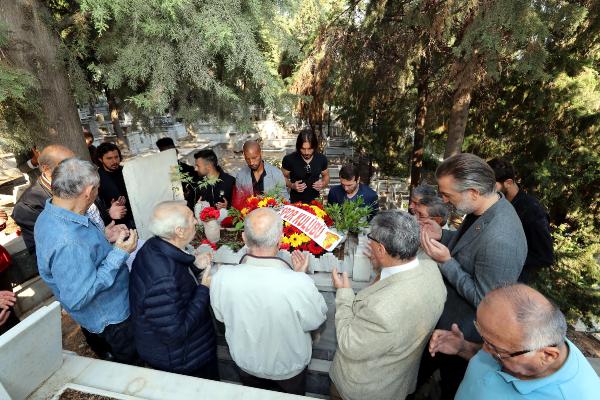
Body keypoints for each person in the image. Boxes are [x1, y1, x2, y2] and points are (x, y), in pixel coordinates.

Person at [417, 153, 527, 399]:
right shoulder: (484, 208)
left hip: (464, 335)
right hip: (447, 322)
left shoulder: (502, 238)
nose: (444, 200)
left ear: (473, 192)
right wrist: (442, 235)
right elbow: (468, 247)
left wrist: (446, 262)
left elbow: (486, 300)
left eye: (448, 194)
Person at [329, 211, 446, 400]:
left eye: (371, 238)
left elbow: (349, 343)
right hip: (398, 381)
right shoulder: (431, 268)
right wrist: (381, 265)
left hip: (364, 389)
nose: (369, 242)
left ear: (381, 249)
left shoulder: (381, 311)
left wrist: (344, 293)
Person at [210, 208, 327, 395]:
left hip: (246, 363)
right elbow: (315, 320)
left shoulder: (222, 277)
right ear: (280, 240)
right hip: (288, 367)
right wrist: (300, 277)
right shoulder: (298, 283)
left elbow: (221, 317)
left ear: (244, 238)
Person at [35, 158, 139, 364]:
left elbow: (81, 257)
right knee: (133, 362)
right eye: (97, 188)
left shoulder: (52, 213)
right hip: (111, 317)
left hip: (105, 311)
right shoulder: (68, 240)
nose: (97, 192)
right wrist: (119, 253)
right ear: (89, 191)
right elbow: (79, 297)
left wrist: (103, 236)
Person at [429, 284, 600, 399]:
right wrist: (463, 347)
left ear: (547, 355)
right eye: (482, 335)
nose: (485, 350)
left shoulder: (577, 395)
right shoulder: (529, 340)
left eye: (495, 348)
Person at [129, 201, 218, 379]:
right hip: (184, 360)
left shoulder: (154, 245)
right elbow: (176, 333)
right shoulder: (164, 278)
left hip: (184, 351)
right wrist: (204, 289)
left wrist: (194, 266)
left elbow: (177, 284)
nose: (196, 221)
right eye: (191, 218)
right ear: (179, 231)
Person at [12, 145, 126, 254]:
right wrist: (103, 243)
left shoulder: (82, 181)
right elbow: (45, 252)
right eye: (66, 165)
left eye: (76, 162)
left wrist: (107, 216)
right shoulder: (27, 206)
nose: (76, 168)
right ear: (46, 168)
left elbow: (93, 218)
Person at [487, 158, 554, 283]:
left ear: (508, 182)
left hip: (509, 280)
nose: (486, 190)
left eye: (491, 185)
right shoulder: (497, 200)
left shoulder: (533, 211)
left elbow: (545, 257)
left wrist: (505, 257)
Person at [282, 130, 330, 203]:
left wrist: (323, 183)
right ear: (298, 147)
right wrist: (292, 185)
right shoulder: (289, 159)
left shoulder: (322, 159)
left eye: (310, 149)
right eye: (303, 149)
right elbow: (281, 177)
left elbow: (326, 175)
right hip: (295, 202)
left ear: (314, 146)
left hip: (315, 202)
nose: (306, 152)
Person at [96, 142, 135, 228]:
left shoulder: (126, 171)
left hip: (136, 216)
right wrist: (110, 209)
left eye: (116, 157)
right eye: (109, 158)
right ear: (100, 159)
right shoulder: (96, 179)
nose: (114, 161)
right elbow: (96, 208)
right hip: (117, 225)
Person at [156, 137, 199, 210]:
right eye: (165, 154)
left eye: (170, 153)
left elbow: (197, 191)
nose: (168, 157)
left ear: (176, 152)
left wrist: (187, 195)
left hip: (187, 209)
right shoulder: (158, 173)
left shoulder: (189, 170)